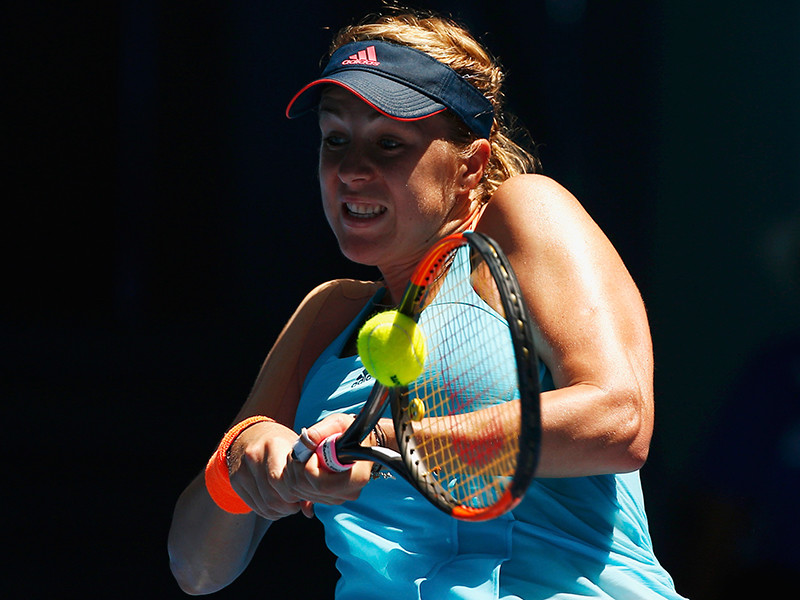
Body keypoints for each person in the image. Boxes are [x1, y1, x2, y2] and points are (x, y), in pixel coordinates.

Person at [168, 9, 686, 599]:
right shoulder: (325, 315)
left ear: (471, 166)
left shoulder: (524, 216)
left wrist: (394, 442)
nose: (351, 170)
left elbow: (619, 421)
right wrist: (245, 460)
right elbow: (196, 568)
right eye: (335, 140)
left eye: (389, 143)